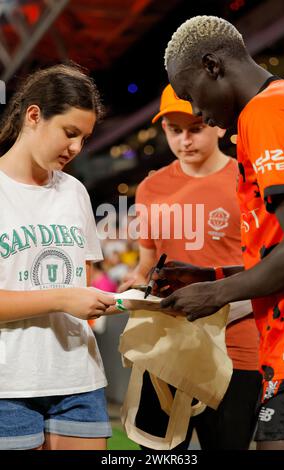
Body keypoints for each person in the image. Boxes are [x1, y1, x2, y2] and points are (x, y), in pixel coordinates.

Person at [159, 15, 284, 450]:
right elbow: (281, 247)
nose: (199, 112)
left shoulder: (265, 112)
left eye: (191, 96)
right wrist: (214, 278)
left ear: (211, 66)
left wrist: (216, 297)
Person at [0, 64, 149, 451]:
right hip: (8, 384)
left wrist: (124, 300)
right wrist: (64, 299)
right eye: (70, 133)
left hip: (78, 380)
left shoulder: (75, 193)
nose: (76, 149)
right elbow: (66, 296)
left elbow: (79, 293)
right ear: (33, 116)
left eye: (84, 138)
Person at [121, 84, 261, 450]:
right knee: (158, 456)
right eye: (173, 129)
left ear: (217, 125)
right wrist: (132, 284)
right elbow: (147, 264)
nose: (184, 139)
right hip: (167, 345)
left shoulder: (248, 181)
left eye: (195, 128)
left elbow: (268, 265)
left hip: (235, 347)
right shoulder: (150, 188)